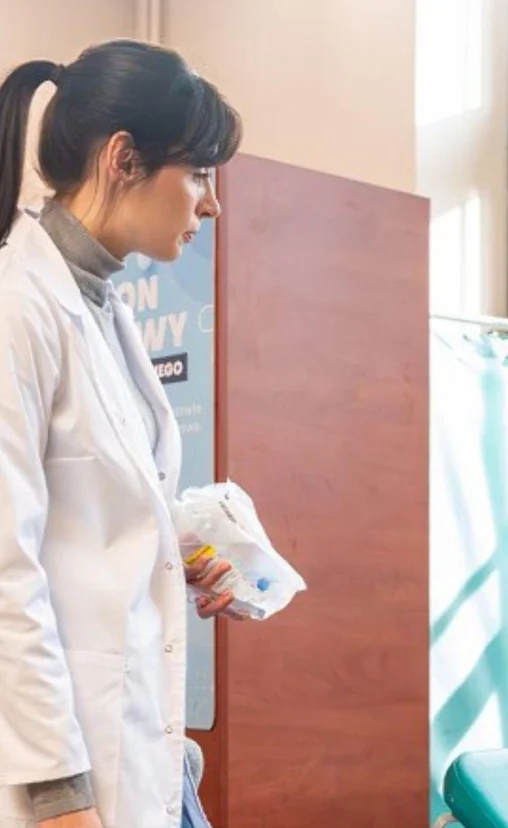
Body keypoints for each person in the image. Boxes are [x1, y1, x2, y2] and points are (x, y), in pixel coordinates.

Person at [0, 41, 242, 828]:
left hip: (134, 748)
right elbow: (6, 570)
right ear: (123, 159)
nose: (212, 205)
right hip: (60, 772)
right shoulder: (18, 306)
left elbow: (88, 516)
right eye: (199, 174)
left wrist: (175, 552)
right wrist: (58, 794)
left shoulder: (101, 304)